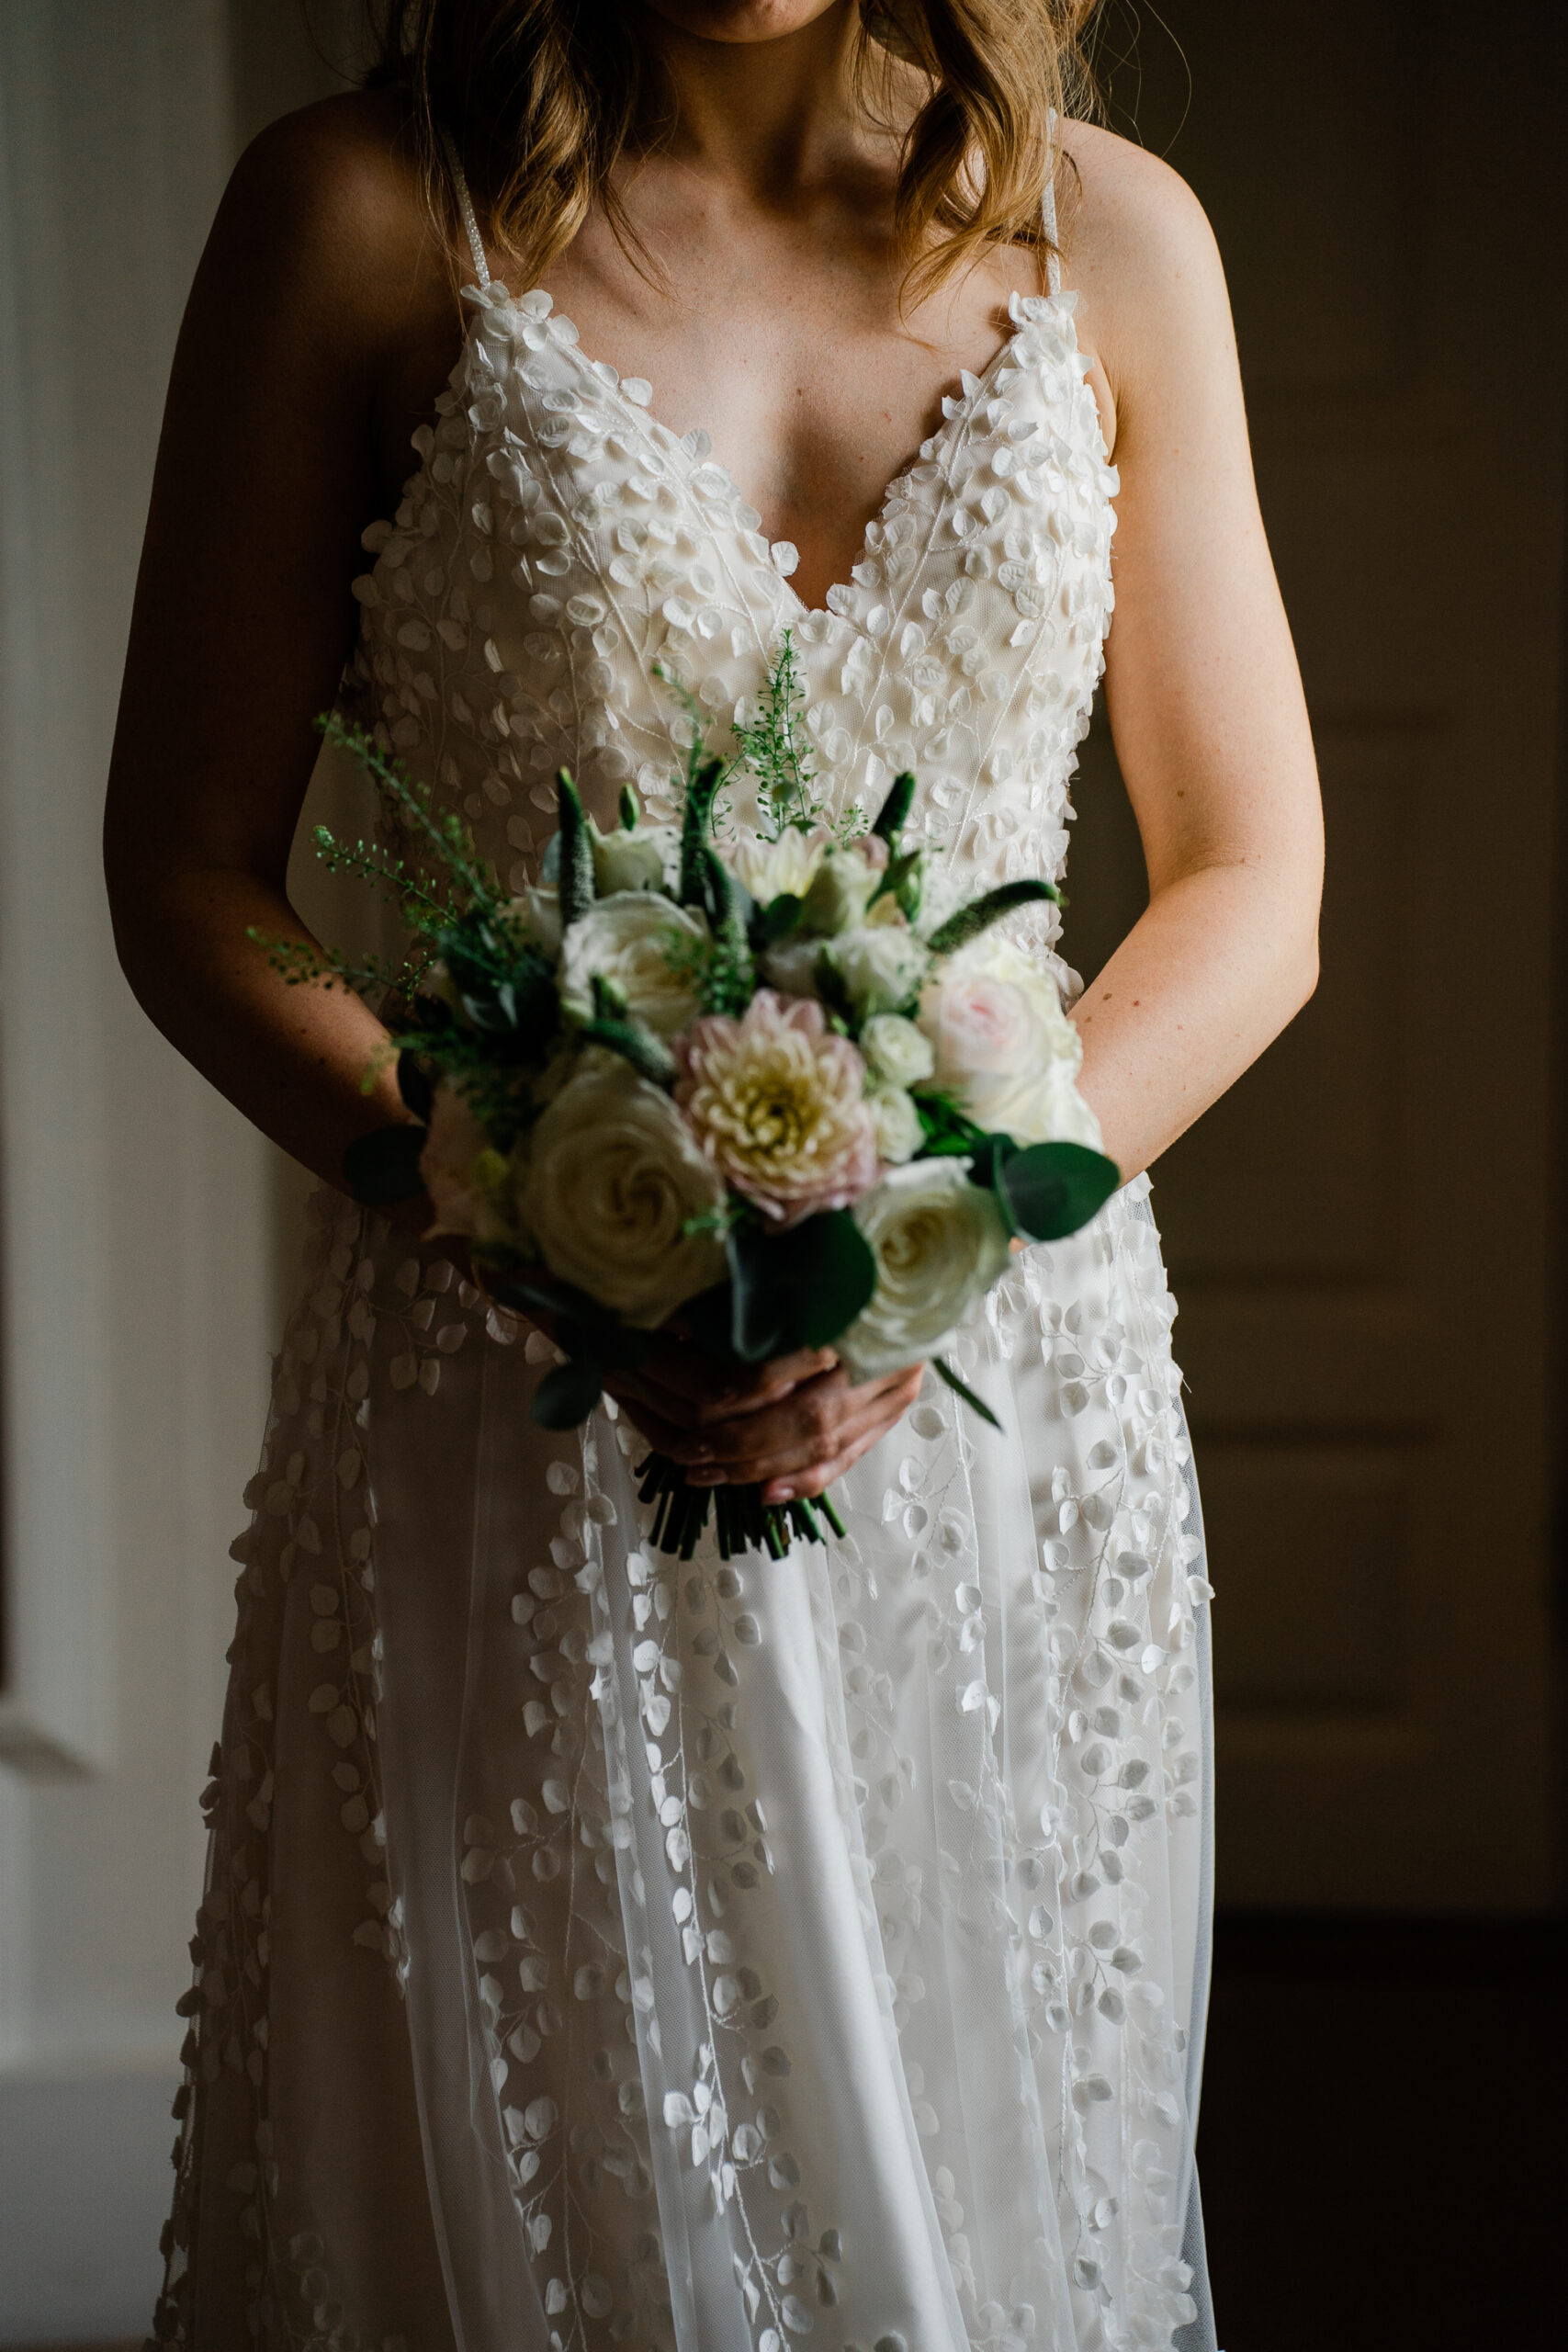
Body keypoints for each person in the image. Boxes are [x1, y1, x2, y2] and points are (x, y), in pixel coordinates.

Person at [106, 3, 1321, 2345]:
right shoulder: (360, 217)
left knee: (995, 2197)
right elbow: (183, 871)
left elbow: (1253, 878)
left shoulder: (1118, 242)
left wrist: (933, 1245)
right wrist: (506, 1190)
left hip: (993, 1417)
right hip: (509, 1383)